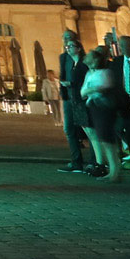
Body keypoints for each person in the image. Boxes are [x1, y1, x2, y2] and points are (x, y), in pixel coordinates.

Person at [81, 45, 130, 180]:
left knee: (107, 139)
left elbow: (105, 86)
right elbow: (83, 92)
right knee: (103, 139)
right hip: (95, 108)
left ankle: (115, 171)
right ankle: (113, 170)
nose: (85, 58)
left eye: (89, 56)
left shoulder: (106, 72)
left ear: (95, 60)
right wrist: (92, 90)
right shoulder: (89, 73)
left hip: (105, 108)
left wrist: (90, 90)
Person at [58, 29, 96, 174]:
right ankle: (76, 162)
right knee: (69, 129)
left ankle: (94, 162)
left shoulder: (85, 61)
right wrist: (63, 92)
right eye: (65, 39)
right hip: (68, 98)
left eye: (70, 39)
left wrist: (72, 85)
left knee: (89, 130)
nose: (67, 43)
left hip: (81, 99)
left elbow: (87, 80)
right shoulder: (63, 57)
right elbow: (62, 74)